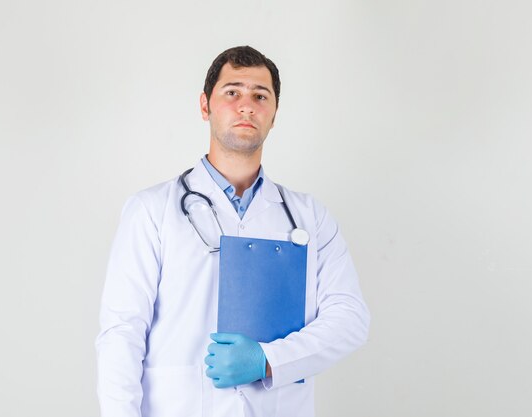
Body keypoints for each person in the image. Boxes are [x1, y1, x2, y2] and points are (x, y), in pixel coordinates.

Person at [96, 45, 370, 417]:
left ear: (274, 115)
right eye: (232, 93)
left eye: (261, 96)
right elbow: (121, 333)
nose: (247, 105)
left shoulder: (310, 218)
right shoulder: (151, 210)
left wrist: (267, 360)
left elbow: (350, 319)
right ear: (205, 106)